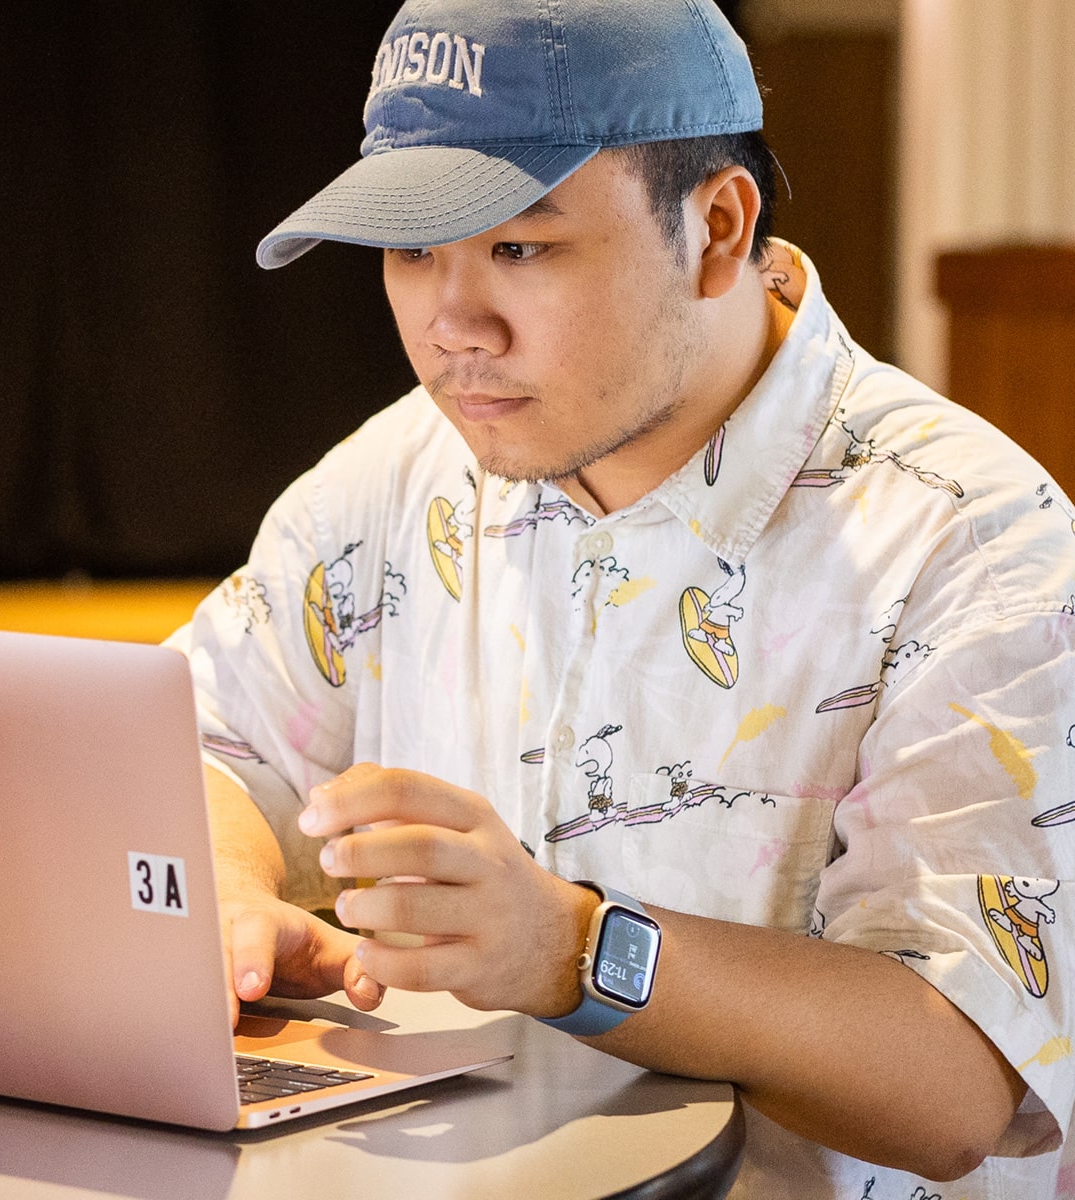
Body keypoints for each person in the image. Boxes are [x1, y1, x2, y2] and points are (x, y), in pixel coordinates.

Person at [170, 1, 1075, 1196]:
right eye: (409, 252)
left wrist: (573, 952)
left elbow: (960, 1083)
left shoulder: (970, 542)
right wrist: (230, 893)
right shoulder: (396, 473)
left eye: (516, 248)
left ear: (713, 227)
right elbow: (208, 743)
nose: (451, 328)